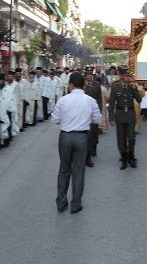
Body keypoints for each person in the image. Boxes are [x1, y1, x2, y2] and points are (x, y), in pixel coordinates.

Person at [51, 72, 102, 214]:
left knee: (64, 169)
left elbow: (54, 119)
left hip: (65, 137)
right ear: (83, 84)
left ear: (71, 85)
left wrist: (66, 121)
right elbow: (97, 119)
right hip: (82, 137)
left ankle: (61, 202)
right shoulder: (90, 101)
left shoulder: (63, 100)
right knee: (78, 171)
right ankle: (76, 204)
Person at [109, 66, 142, 169]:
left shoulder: (132, 86)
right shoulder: (115, 86)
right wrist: (111, 118)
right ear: (121, 75)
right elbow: (111, 104)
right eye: (126, 76)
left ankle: (131, 157)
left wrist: (134, 89)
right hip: (120, 114)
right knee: (121, 139)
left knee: (131, 138)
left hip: (131, 115)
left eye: (129, 76)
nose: (128, 78)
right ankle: (123, 159)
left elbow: (139, 99)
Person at [83, 66, 103, 167]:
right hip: (82, 114)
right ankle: (86, 157)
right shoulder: (81, 84)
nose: (89, 76)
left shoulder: (96, 85)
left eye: (90, 74)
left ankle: (92, 150)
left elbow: (99, 100)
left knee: (93, 135)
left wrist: (98, 113)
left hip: (93, 113)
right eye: (87, 74)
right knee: (85, 135)